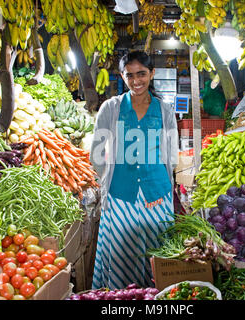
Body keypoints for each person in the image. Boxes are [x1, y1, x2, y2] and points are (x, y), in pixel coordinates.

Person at [90, 50, 179, 290]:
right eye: (130, 76)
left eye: (142, 74)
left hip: (156, 194)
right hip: (121, 193)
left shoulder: (164, 110)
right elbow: (97, 153)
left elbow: (171, 155)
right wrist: (107, 180)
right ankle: (121, 298)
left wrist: (162, 184)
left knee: (156, 252)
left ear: (152, 73)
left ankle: (155, 296)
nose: (136, 80)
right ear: (122, 76)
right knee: (121, 252)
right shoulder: (111, 108)